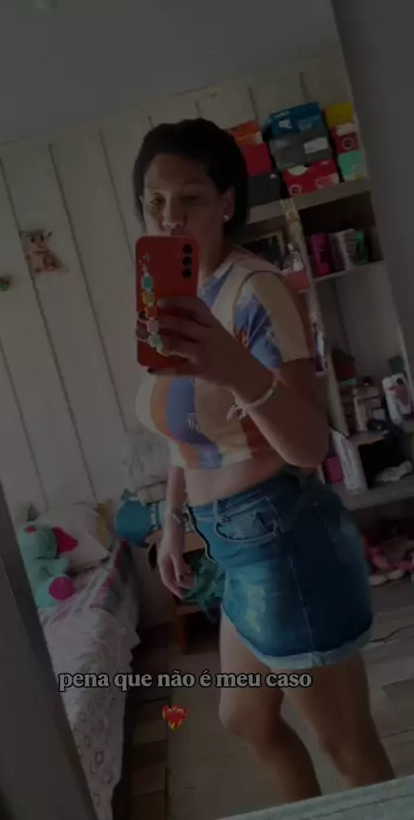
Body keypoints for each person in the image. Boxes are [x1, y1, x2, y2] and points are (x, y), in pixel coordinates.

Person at [133, 118, 394, 803]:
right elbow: (181, 427)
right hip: (233, 543)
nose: (169, 217)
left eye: (189, 198)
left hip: (284, 538)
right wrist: (171, 520)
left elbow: (308, 446)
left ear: (227, 202)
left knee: (346, 743)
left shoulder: (257, 291)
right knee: (245, 718)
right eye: (155, 202)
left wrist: (234, 368)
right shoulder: (176, 296)